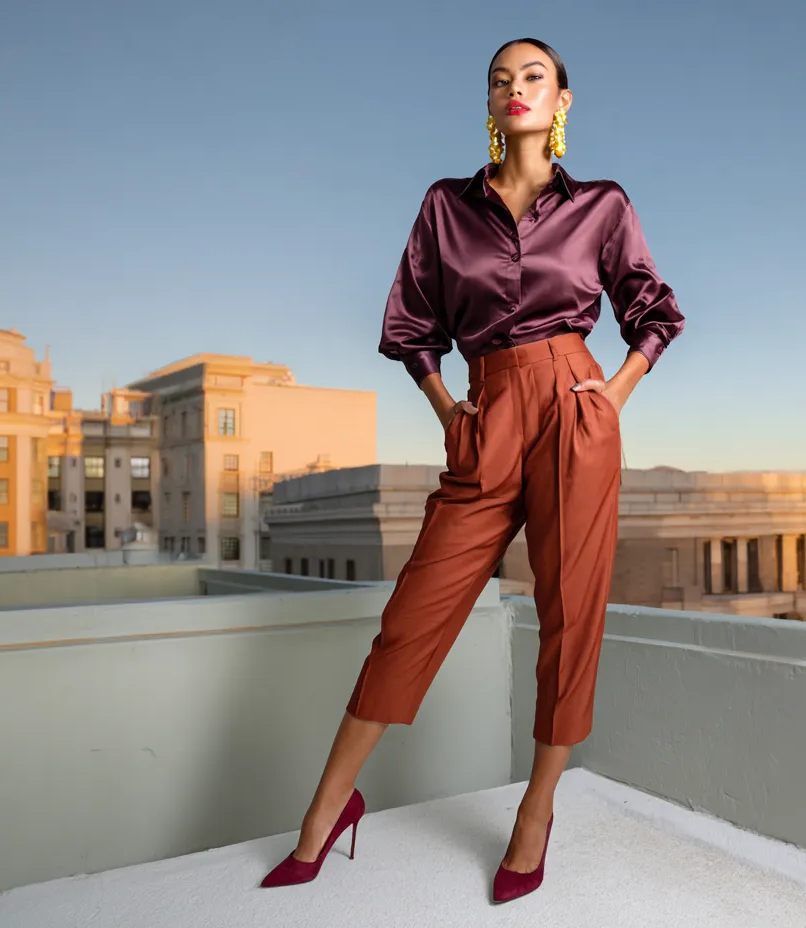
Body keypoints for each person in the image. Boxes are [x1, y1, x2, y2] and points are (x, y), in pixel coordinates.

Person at [261, 36, 685, 904]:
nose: (515, 88)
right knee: (413, 616)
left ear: (562, 99)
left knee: (571, 615)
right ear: (488, 106)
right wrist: (449, 409)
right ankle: (326, 811)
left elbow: (655, 310)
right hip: (484, 415)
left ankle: (536, 813)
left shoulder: (602, 204)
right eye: (501, 80)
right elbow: (410, 326)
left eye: (533, 77)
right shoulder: (445, 207)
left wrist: (613, 391)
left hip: (575, 407)